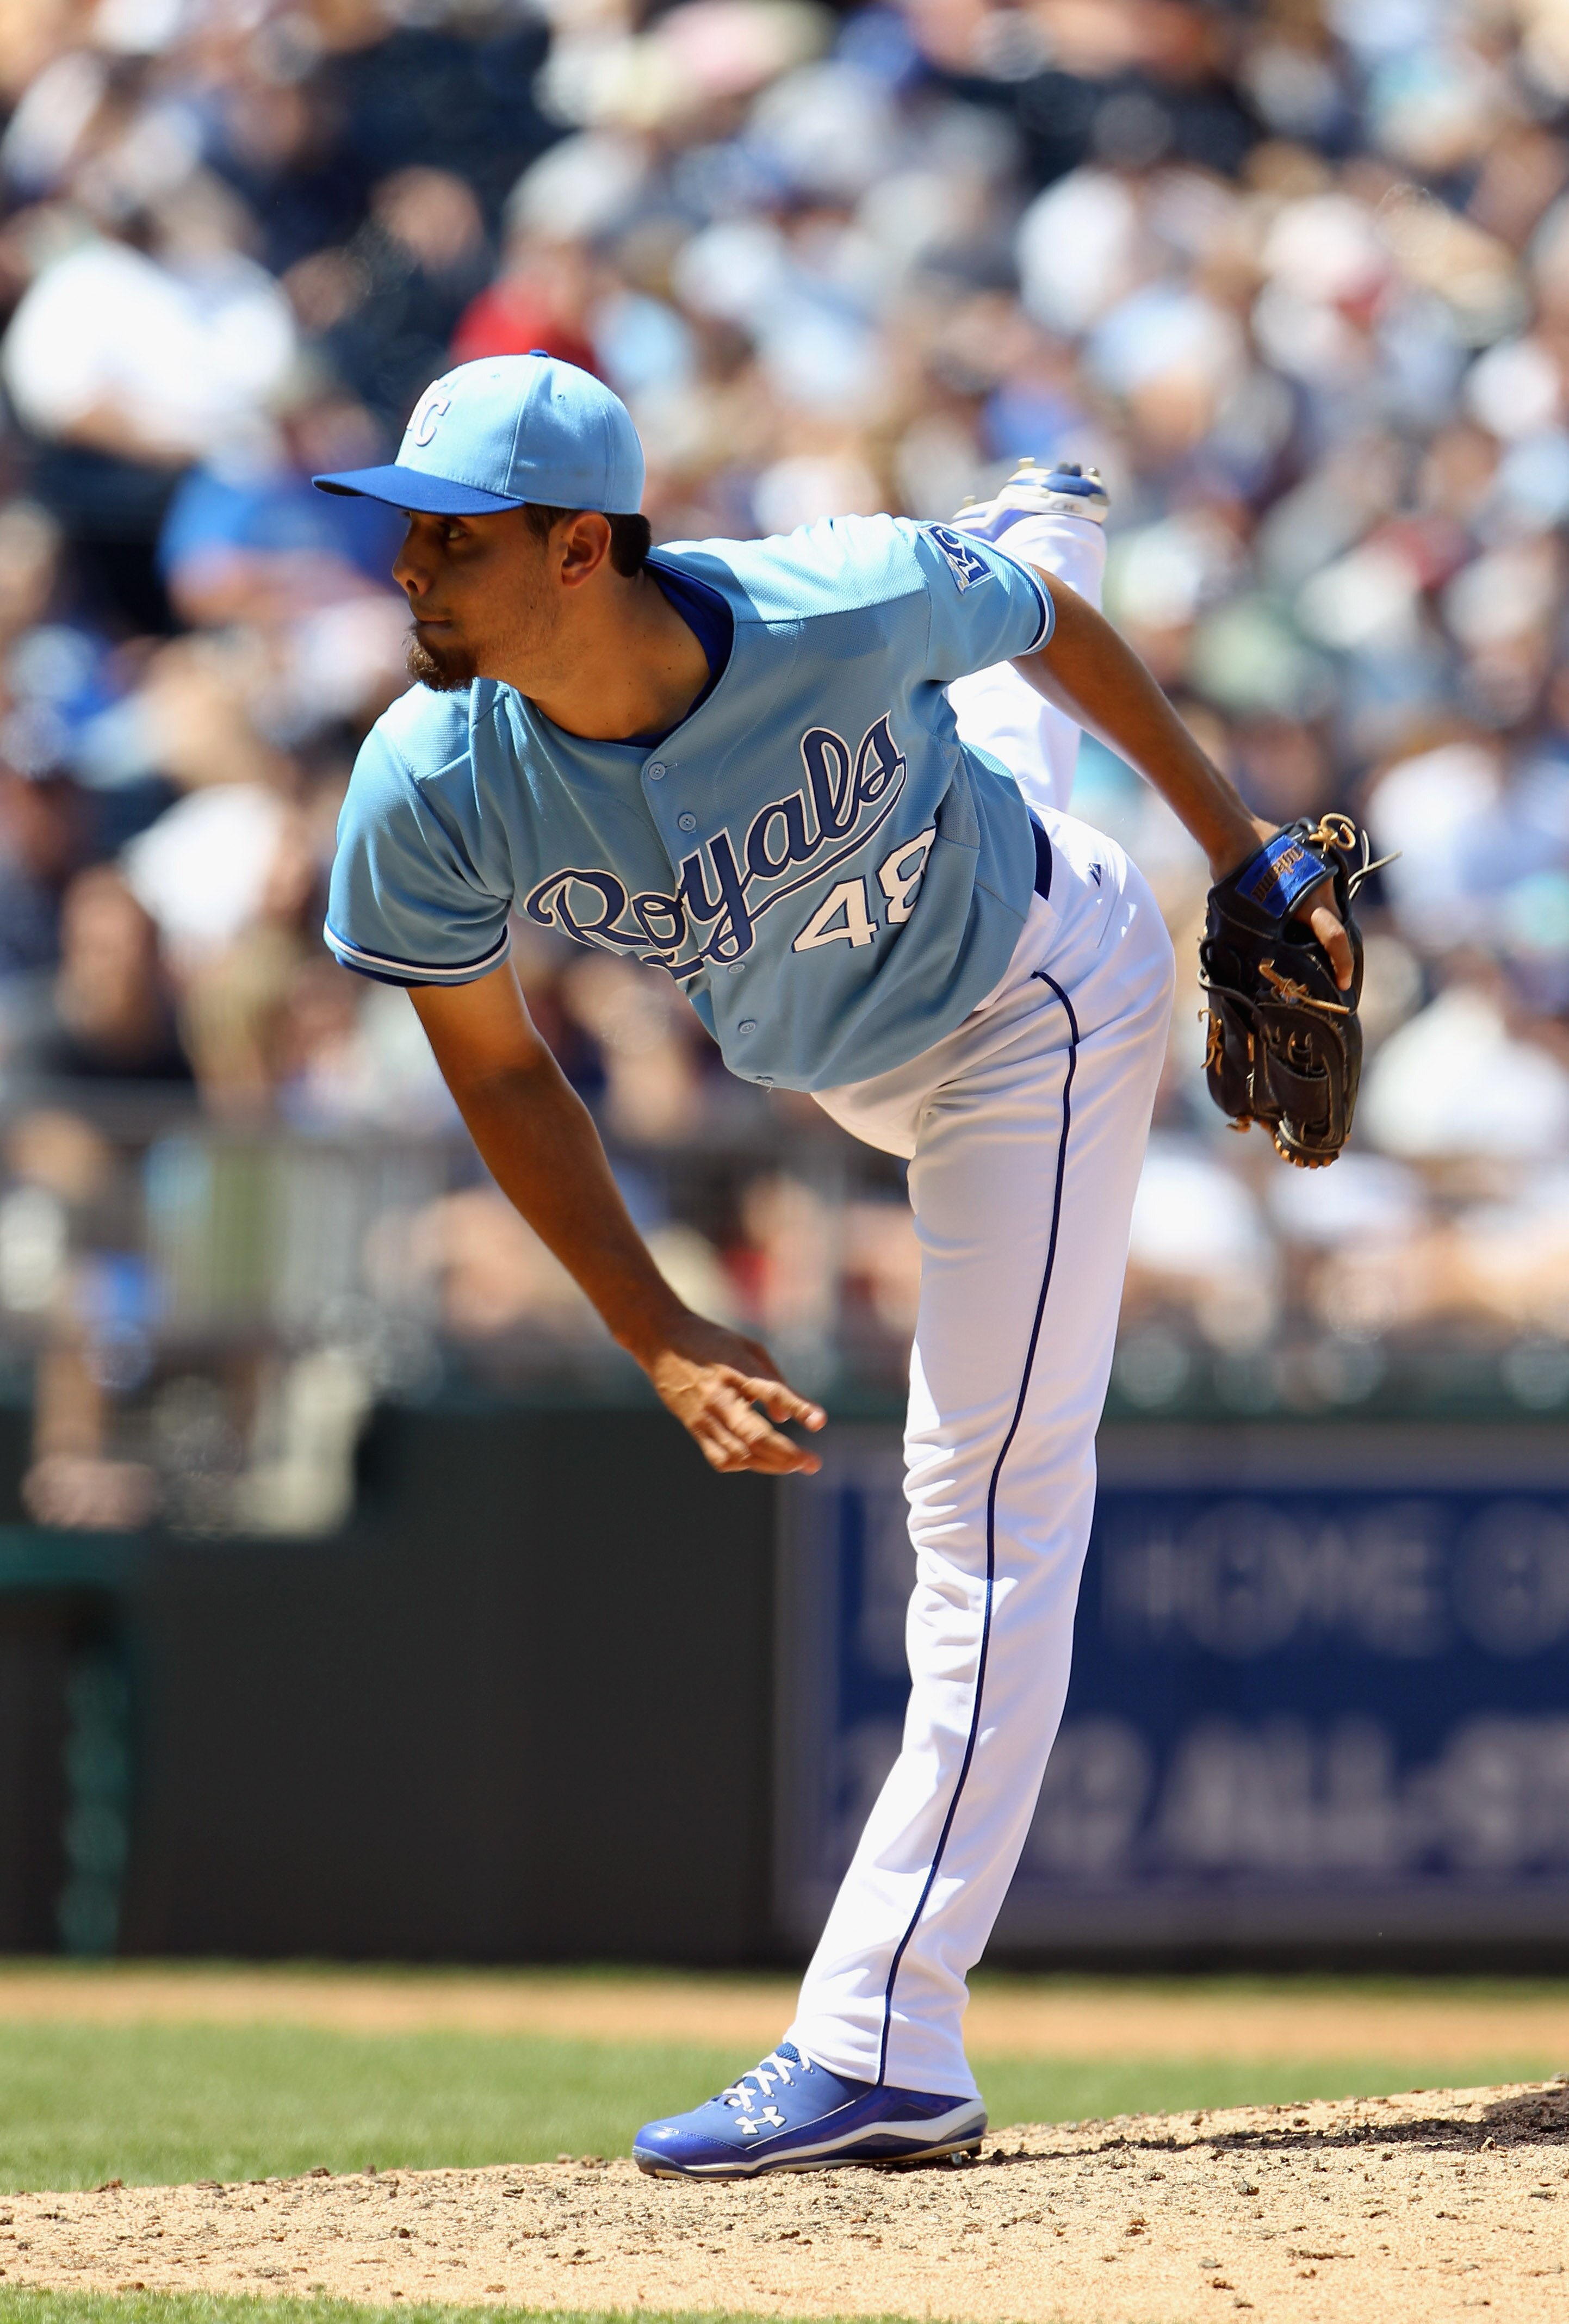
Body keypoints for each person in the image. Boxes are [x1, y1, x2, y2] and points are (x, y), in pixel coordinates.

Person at [314, 355, 1350, 2177]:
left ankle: (886, 2036)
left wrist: (1243, 851)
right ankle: (1031, 523)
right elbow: (500, 1068)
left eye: (454, 537)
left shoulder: (830, 596)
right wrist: (651, 1323)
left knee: (986, 1504)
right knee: (964, 742)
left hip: (1034, 1010)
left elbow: (1057, 638)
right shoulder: (432, 774)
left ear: (581, 549)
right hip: (859, 996)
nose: (409, 566)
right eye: (408, 530)